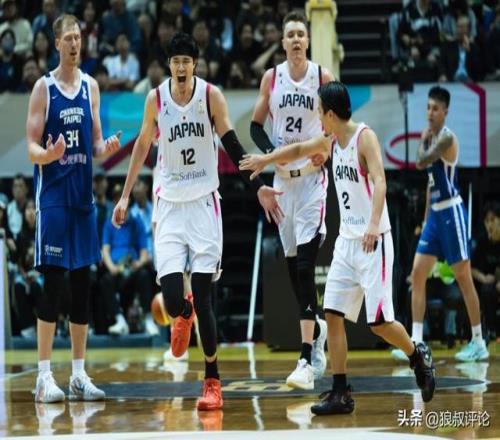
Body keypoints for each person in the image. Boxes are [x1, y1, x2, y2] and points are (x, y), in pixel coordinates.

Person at [240, 80, 435, 415]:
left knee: (379, 323)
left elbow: (380, 181)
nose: (318, 117)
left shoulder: (364, 137)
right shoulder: (330, 141)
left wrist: (373, 223)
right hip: (346, 242)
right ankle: (341, 392)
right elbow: (298, 150)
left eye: (320, 112)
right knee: (331, 314)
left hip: (373, 240)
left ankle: (417, 355)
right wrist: (266, 159)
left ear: (330, 114)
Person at [112, 32, 283, 411]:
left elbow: (232, 145)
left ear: (194, 65)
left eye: (186, 61)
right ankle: (182, 313)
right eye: (175, 60)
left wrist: (258, 187)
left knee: (206, 298)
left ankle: (212, 381)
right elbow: (142, 145)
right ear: (169, 65)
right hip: (169, 207)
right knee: (174, 299)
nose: (181, 66)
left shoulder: (210, 96)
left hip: (204, 205)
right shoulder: (156, 99)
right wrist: (124, 195)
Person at [26, 13, 121, 403]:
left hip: (83, 202)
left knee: (82, 287)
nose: (75, 43)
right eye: (68, 38)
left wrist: (105, 148)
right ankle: (43, 376)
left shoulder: (91, 87)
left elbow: (95, 144)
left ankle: (79, 375)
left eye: (79, 37)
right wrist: (47, 155)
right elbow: (31, 146)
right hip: (53, 201)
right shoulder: (43, 88)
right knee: (54, 287)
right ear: (56, 43)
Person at [249, 10, 334, 390]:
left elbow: (337, 126)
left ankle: (306, 357)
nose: (297, 39)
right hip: (282, 182)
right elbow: (255, 126)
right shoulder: (272, 77)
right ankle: (317, 333)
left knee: (304, 267)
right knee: (291, 269)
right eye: (291, 35)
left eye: (301, 34)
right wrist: (272, 154)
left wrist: (326, 149)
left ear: (308, 41)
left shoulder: (322, 77)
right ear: (283, 43)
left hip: (312, 182)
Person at [392, 86, 489, 362]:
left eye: (435, 108)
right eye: (428, 107)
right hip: (435, 216)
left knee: (463, 278)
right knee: (417, 274)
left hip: (452, 213)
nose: (430, 113)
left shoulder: (446, 138)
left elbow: (420, 162)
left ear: (445, 112)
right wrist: (425, 220)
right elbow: (429, 184)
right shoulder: (433, 138)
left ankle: (478, 341)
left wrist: (423, 141)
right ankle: (416, 344)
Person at [471, 202, 500, 343]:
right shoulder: (482, 241)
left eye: (493, 220)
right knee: (486, 290)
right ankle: (490, 330)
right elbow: (470, 268)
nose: (489, 225)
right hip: (487, 284)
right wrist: (483, 278)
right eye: (487, 221)